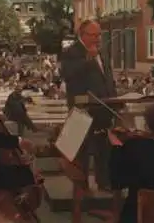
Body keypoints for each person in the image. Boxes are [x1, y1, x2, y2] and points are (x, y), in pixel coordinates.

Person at [60, 19, 120, 190]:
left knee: (104, 146)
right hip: (83, 109)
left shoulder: (103, 51)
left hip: (104, 107)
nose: (97, 38)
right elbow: (67, 74)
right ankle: (82, 185)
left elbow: (107, 78)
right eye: (93, 35)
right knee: (83, 149)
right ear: (82, 34)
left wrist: (114, 99)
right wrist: (88, 59)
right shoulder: (71, 52)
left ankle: (104, 181)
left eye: (99, 35)